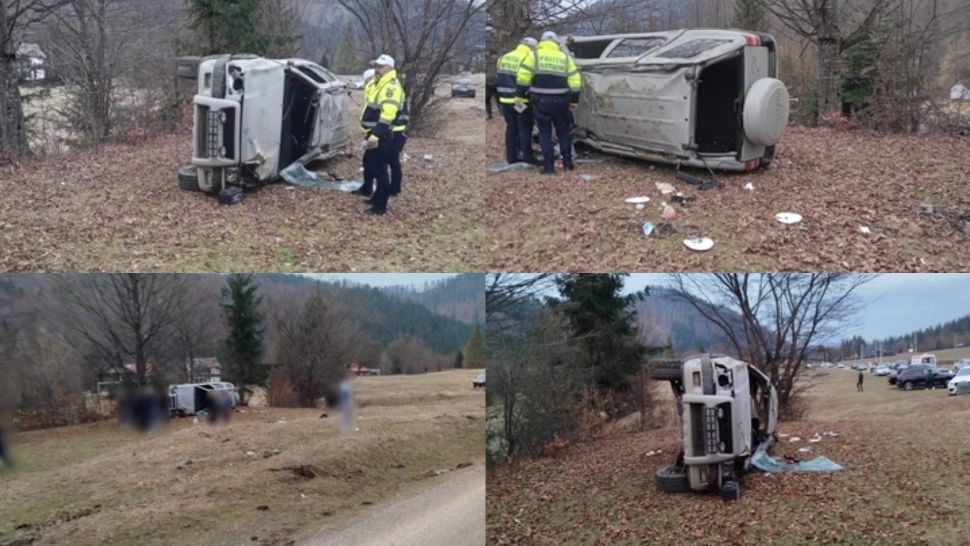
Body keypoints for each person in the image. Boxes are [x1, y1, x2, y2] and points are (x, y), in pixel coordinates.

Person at [516, 31, 582, 175]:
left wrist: (520, 96)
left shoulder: (534, 56)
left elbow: (523, 78)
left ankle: (549, 168)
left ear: (541, 41)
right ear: (556, 43)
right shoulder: (565, 58)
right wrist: (574, 101)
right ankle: (568, 165)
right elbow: (575, 82)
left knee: (545, 133)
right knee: (563, 133)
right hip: (561, 101)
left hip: (541, 101)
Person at [359, 54, 406, 215]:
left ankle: (380, 206)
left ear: (389, 68)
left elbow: (388, 115)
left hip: (384, 135)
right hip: (376, 133)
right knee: (371, 164)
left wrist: (375, 136)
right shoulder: (380, 83)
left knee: (380, 170)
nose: (376, 69)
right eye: (376, 66)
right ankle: (376, 197)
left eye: (380, 66)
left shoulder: (391, 86)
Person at [497, 37, 538, 165]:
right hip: (520, 100)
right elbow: (527, 80)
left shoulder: (504, 57)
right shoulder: (528, 58)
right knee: (525, 128)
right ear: (532, 47)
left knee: (511, 128)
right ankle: (527, 156)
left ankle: (511, 156)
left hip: (504, 99)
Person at [356, 68, 378, 199]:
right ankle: (367, 187)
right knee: (368, 160)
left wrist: (372, 134)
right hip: (372, 131)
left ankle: (369, 189)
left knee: (371, 161)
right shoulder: (373, 88)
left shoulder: (375, 88)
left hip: (376, 133)